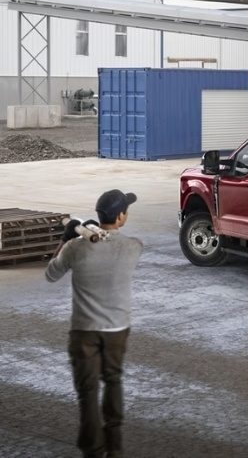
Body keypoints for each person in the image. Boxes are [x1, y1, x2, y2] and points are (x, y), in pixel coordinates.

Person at [45, 190, 144, 458]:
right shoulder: (133, 247)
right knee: (113, 381)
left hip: (84, 331)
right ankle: (115, 447)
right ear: (121, 215)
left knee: (87, 392)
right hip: (116, 330)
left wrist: (66, 239)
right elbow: (114, 243)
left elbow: (51, 274)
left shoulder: (76, 247)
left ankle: (92, 449)